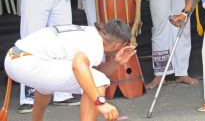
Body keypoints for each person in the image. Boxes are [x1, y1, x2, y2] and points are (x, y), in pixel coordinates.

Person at [4, 19, 136, 121]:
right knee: (98, 81)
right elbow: (79, 66)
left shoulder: (91, 33)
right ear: (118, 45)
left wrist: (117, 62)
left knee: (49, 86)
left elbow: (90, 74)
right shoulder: (94, 43)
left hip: (14, 58)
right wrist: (100, 103)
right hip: (27, 62)